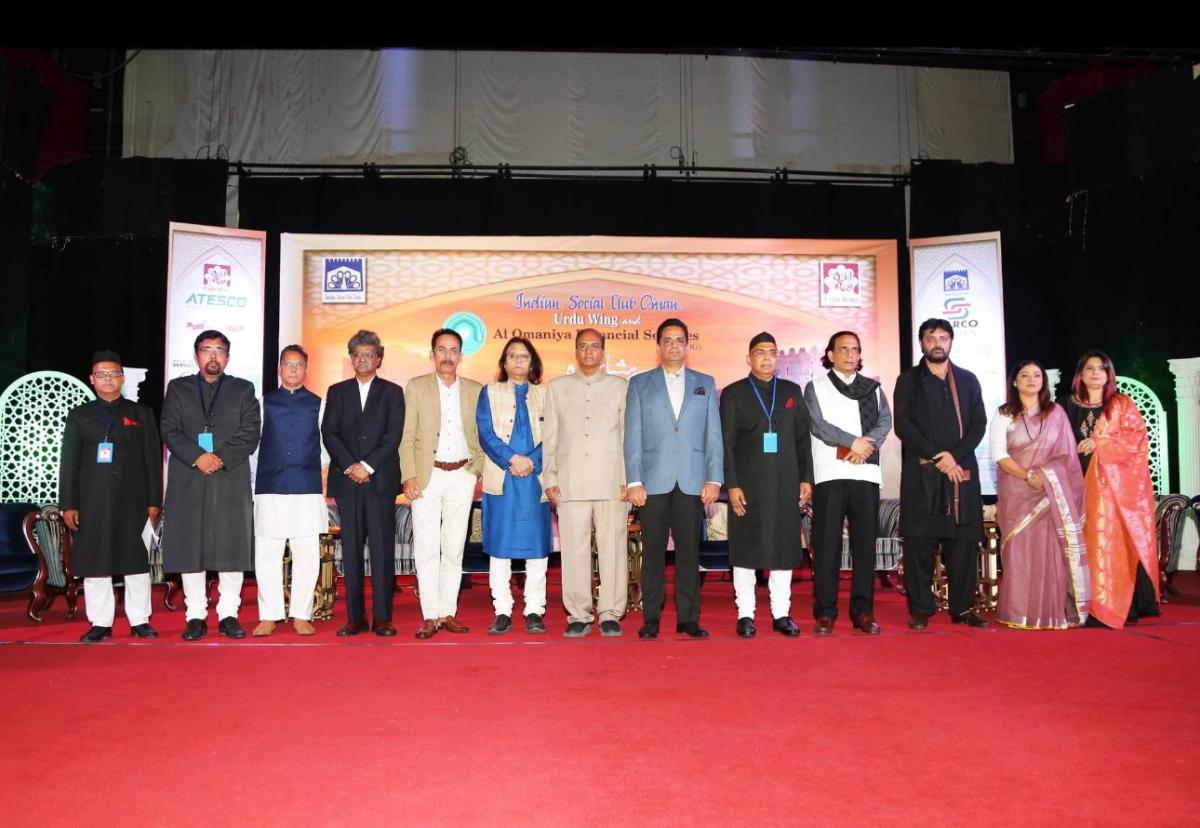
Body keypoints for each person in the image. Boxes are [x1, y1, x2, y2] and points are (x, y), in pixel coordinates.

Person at [624, 318, 723, 640]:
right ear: (658, 346)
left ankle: (688, 619)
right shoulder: (640, 384)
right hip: (653, 483)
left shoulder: (704, 383)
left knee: (689, 554)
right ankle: (651, 618)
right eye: (667, 340)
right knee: (652, 554)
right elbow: (632, 436)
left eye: (679, 340)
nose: (673, 346)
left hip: (692, 482)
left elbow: (713, 435)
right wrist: (634, 481)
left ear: (687, 344)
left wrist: (714, 479)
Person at [161, 330, 261, 640]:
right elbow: (169, 429)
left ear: (227, 357)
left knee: (231, 547)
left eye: (219, 350)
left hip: (229, 478)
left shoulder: (243, 389)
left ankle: (229, 614)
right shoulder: (178, 388)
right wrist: (198, 457)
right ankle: (195, 616)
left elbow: (251, 431)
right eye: (207, 349)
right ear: (196, 356)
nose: (213, 355)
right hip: (189, 478)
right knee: (191, 547)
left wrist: (220, 458)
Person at [892, 318, 990, 629]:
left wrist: (954, 456)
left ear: (951, 342)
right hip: (922, 475)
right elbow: (903, 426)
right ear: (921, 343)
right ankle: (921, 609)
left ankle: (963, 608)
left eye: (943, 338)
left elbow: (978, 424)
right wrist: (939, 457)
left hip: (960, 473)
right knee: (919, 545)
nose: (938, 343)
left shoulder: (967, 380)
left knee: (962, 545)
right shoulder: (908, 381)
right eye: (931, 338)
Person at [59, 350, 162, 642]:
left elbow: (153, 461)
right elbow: (69, 463)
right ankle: (101, 622)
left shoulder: (141, 413)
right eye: (101, 374)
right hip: (92, 501)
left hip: (134, 501)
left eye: (113, 373)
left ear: (122, 378)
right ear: (92, 379)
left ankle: (140, 620)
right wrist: (69, 504)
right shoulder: (79, 415)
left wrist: (154, 501)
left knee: (136, 561)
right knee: (96, 562)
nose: (107, 379)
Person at [720, 332, 812, 639]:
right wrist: (732, 485)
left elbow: (803, 439)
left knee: (784, 549)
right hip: (747, 487)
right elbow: (726, 444)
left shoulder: (791, 391)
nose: (767, 357)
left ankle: (781, 613)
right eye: (760, 352)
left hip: (786, 484)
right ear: (748, 358)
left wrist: (805, 479)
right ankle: (745, 614)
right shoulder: (734, 393)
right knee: (746, 549)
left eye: (772, 352)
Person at [804, 330, 892, 636]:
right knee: (826, 545)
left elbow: (885, 422)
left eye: (854, 349)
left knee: (864, 546)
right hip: (830, 474)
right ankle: (825, 612)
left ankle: (863, 612)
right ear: (830, 354)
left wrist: (864, 446)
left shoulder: (873, 389)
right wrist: (853, 442)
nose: (849, 354)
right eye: (843, 348)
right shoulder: (816, 387)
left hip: (865, 474)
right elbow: (818, 426)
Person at [543, 328, 630, 637]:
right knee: (574, 551)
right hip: (570, 482)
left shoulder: (621, 387)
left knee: (613, 548)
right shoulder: (557, 388)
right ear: (576, 351)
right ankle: (578, 614)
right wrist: (549, 478)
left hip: (612, 483)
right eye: (583, 346)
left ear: (603, 353)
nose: (589, 351)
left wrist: (628, 480)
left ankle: (610, 612)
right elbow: (550, 437)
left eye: (595, 346)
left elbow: (628, 437)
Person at [992, 360, 1090, 629]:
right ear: (1015, 382)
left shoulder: (1055, 413)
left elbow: (1066, 455)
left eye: (1037, 375)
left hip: (1051, 493)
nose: (1032, 379)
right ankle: (1019, 612)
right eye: (1025, 375)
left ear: (1043, 382)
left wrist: (1044, 477)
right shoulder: (1003, 414)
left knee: (1050, 552)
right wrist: (1028, 476)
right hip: (1016, 492)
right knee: (1019, 553)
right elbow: (999, 454)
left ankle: (1051, 613)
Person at [1065, 350, 1159, 629]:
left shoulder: (1121, 404)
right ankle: (1081, 604)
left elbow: (1137, 442)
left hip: (1113, 490)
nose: (1095, 373)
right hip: (1074, 483)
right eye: (1090, 368)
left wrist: (1100, 444)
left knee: (1110, 543)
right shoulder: (1065, 406)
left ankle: (1111, 606)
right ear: (1080, 374)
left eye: (1101, 368)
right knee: (1079, 545)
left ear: (1109, 375)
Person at [400, 329, 484, 639]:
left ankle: (448, 612)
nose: (447, 356)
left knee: (453, 547)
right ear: (432, 354)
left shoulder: (475, 390)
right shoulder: (416, 386)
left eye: (453, 350)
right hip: (427, 477)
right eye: (441, 349)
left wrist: (476, 470)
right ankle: (429, 615)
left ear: (461, 356)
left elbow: (483, 434)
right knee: (426, 547)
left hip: (462, 475)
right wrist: (409, 475)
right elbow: (407, 436)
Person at [322, 330, 405, 637]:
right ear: (351, 358)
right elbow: (329, 433)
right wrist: (350, 466)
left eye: (369, 354)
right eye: (357, 354)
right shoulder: (337, 391)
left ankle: (382, 618)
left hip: (379, 481)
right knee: (351, 552)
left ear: (378, 359)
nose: (362, 359)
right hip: (348, 483)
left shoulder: (393, 392)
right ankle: (355, 618)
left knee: (382, 551)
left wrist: (367, 466)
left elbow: (393, 435)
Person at [476, 337, 553, 635]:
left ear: (532, 363)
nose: (518, 360)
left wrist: (532, 461)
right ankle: (502, 611)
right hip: (503, 479)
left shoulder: (546, 394)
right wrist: (512, 459)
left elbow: (555, 435)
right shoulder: (489, 392)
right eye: (512, 356)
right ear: (504, 362)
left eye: (524, 356)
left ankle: (534, 609)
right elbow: (485, 433)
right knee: (500, 546)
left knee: (537, 548)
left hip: (535, 479)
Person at [253, 345, 327, 637]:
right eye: (288, 364)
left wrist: (314, 471)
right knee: (267, 553)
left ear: (306, 370)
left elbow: (325, 448)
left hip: (306, 488)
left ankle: (301, 614)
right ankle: (269, 615)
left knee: (306, 554)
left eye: (299, 365)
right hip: (270, 486)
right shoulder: (263, 403)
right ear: (279, 369)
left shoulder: (319, 404)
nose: (293, 369)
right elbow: (254, 448)